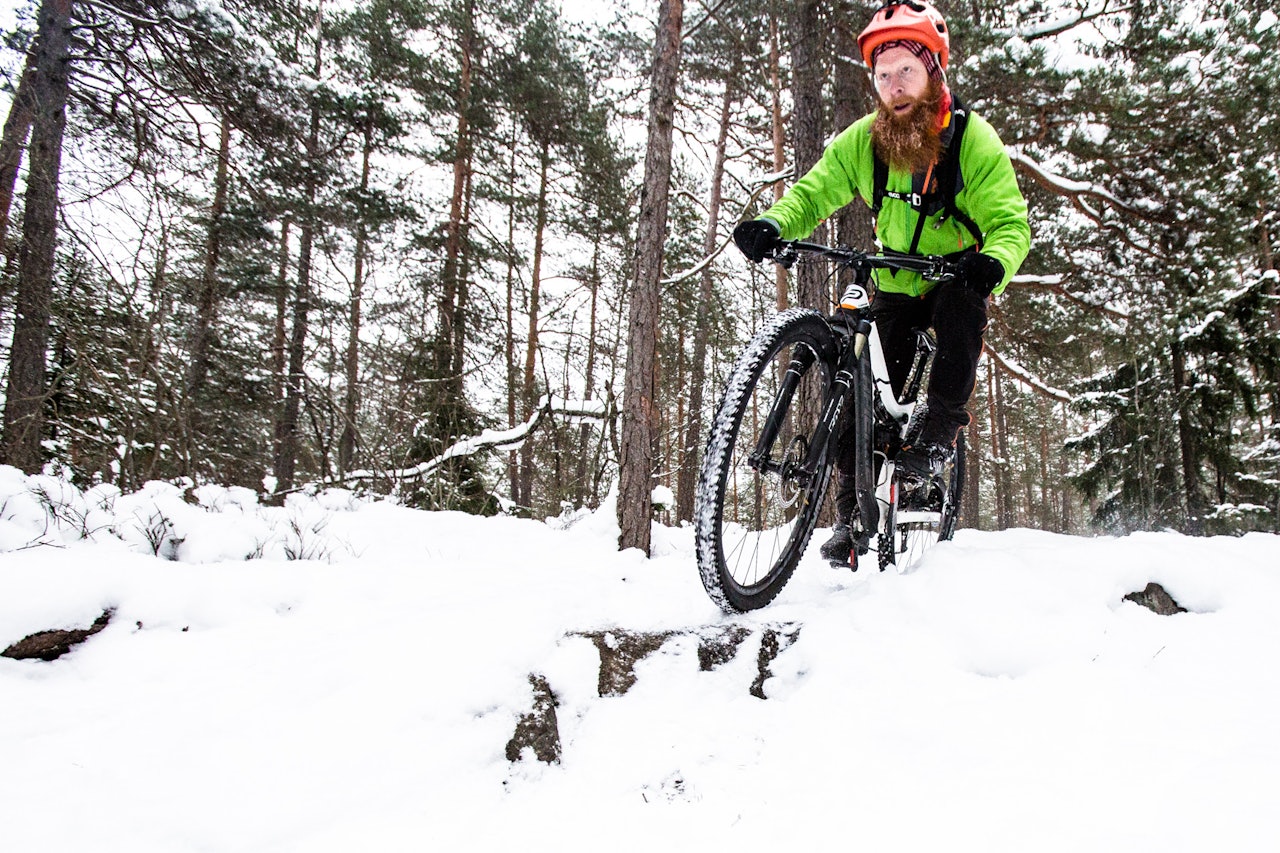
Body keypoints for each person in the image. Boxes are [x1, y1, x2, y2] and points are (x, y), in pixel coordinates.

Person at [732, 0, 1030, 563]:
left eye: (906, 72)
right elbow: (816, 190)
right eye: (883, 74)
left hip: (952, 272)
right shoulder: (866, 140)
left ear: (934, 71)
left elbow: (1011, 223)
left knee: (964, 308)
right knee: (857, 386)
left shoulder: (972, 141)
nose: (894, 86)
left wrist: (993, 261)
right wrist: (773, 223)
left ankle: (940, 428)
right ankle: (850, 519)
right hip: (894, 275)